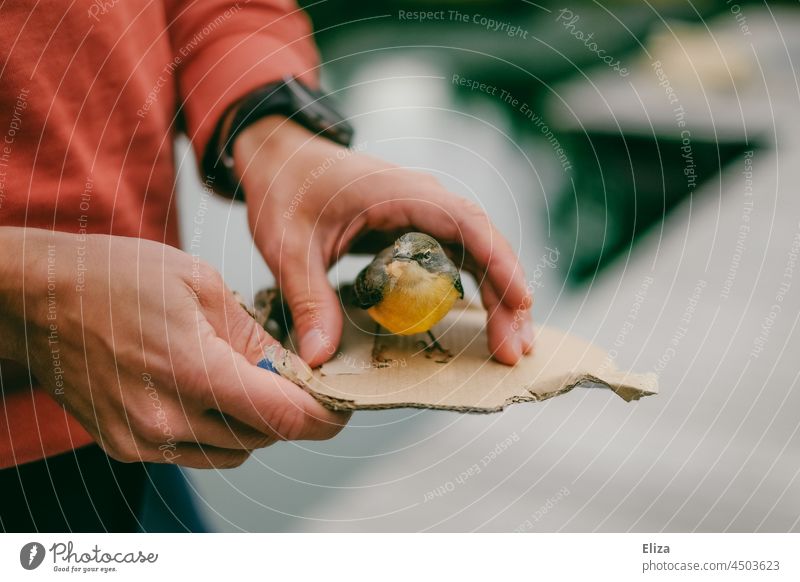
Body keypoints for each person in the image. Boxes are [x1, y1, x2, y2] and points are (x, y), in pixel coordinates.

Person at [0, 0, 533, 532]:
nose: (396, 267)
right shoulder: (381, 284)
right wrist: (19, 284)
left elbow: (220, 10)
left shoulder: (443, 282)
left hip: (140, 386)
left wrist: (278, 131)